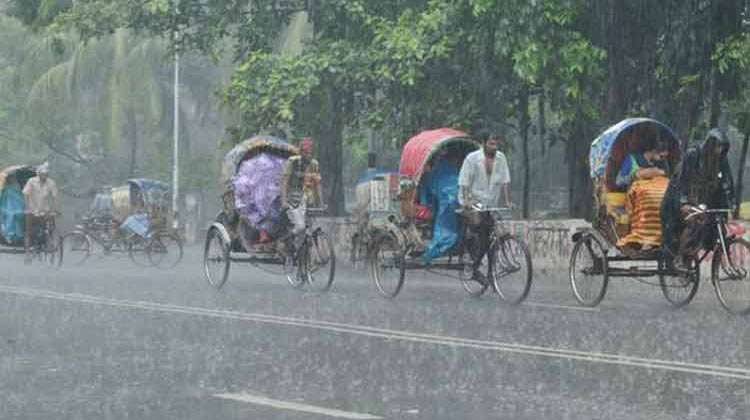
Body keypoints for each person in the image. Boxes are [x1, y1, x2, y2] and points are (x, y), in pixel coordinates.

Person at [662, 128, 735, 269]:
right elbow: (681, 182)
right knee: (695, 221)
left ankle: (719, 257)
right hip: (681, 199)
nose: (719, 150)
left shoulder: (721, 160)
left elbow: (726, 184)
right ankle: (681, 256)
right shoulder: (693, 155)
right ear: (710, 144)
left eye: (722, 147)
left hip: (704, 202)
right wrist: (683, 203)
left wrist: (729, 203)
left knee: (716, 224)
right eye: (717, 146)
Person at [458, 130, 512, 282]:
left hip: (489, 202)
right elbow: (464, 181)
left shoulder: (501, 158)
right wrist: (468, 200)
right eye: (491, 144)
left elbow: (505, 180)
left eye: (496, 144)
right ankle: (471, 256)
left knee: (489, 238)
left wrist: (507, 200)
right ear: (483, 143)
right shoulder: (472, 158)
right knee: (480, 227)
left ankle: (489, 273)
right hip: (472, 200)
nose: (494, 147)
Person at [615, 139, 671, 251]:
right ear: (653, 151)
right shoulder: (632, 159)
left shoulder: (662, 163)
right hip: (639, 194)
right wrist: (636, 175)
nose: (662, 159)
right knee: (648, 203)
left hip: (659, 191)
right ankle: (643, 237)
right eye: (661, 156)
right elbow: (619, 180)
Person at [418, 148, 462, 264]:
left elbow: (427, 198)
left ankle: (433, 252)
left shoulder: (431, 174)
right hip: (460, 196)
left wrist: (427, 206)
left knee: (444, 228)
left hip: (448, 200)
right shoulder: (451, 168)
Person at [280, 137, 323, 253]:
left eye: (310, 152)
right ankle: (288, 243)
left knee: (309, 227)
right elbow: (285, 182)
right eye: (305, 152)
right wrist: (284, 201)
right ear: (300, 152)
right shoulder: (292, 162)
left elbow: (317, 183)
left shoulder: (314, 164)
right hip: (293, 199)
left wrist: (321, 203)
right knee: (300, 227)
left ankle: (304, 256)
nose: (308, 155)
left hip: (307, 199)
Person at [22, 162, 59, 261]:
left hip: (44, 210)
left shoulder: (51, 182)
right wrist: (28, 207)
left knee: (51, 226)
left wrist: (54, 209)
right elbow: (26, 194)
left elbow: (55, 197)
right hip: (32, 210)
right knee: (28, 232)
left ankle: (51, 244)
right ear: (38, 174)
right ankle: (27, 254)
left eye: (46, 174)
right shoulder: (31, 181)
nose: (44, 176)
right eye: (43, 174)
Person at [0, 174, 26, 244]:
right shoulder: (6, 189)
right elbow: (3, 199)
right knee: (10, 216)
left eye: (13, 178)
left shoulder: (18, 188)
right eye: (11, 179)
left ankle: (18, 236)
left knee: (18, 216)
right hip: (8, 207)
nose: (12, 180)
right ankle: (9, 236)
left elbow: (20, 199)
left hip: (17, 207)